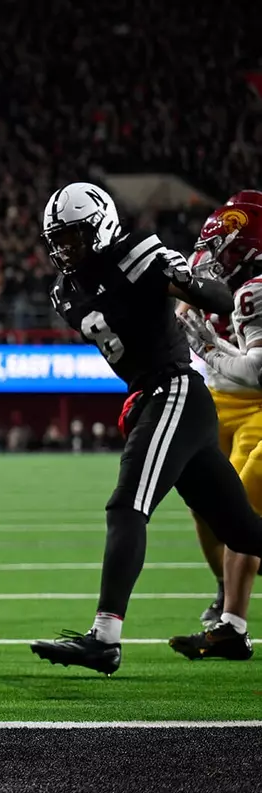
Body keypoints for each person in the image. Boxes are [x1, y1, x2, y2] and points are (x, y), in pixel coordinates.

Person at [28, 182, 262, 674]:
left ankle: (105, 638)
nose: (64, 249)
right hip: (158, 397)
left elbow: (216, 298)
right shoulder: (64, 291)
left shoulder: (138, 255)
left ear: (102, 228)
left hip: (173, 391)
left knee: (127, 503)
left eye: (73, 237)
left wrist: (189, 280)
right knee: (244, 531)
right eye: (58, 239)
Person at [168, 200, 262, 660]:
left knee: (240, 504)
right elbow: (182, 313)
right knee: (204, 505)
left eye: (224, 251)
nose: (211, 259)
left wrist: (204, 341)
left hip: (260, 402)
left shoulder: (257, 290)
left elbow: (257, 371)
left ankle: (232, 623)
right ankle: (228, 595)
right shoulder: (210, 272)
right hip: (218, 399)